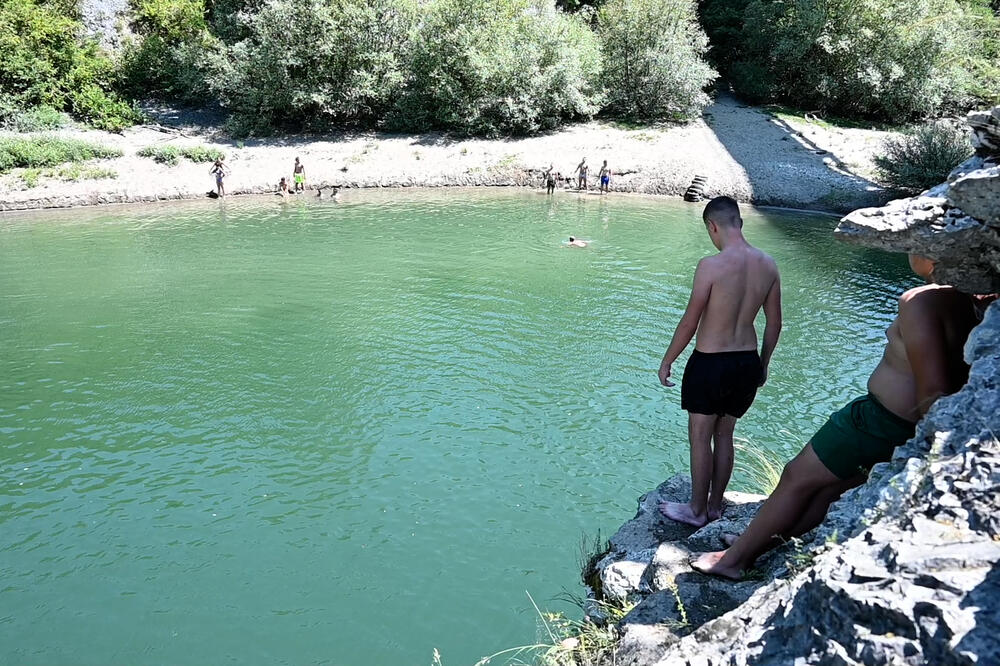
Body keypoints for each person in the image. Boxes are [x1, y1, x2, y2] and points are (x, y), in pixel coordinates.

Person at [691, 256, 995, 580]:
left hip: (877, 421)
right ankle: (756, 546)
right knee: (825, 490)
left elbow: (934, 389)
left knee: (797, 477)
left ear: (932, 252)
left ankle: (732, 561)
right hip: (895, 428)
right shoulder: (976, 302)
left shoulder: (921, 300)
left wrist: (928, 445)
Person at [658, 196, 782, 528]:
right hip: (746, 362)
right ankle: (714, 507)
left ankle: (696, 511)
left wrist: (668, 360)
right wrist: (764, 365)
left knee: (700, 436)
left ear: (713, 226)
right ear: (739, 222)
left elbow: (690, 322)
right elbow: (774, 323)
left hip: (711, 363)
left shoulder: (710, 266)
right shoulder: (768, 265)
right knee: (725, 434)